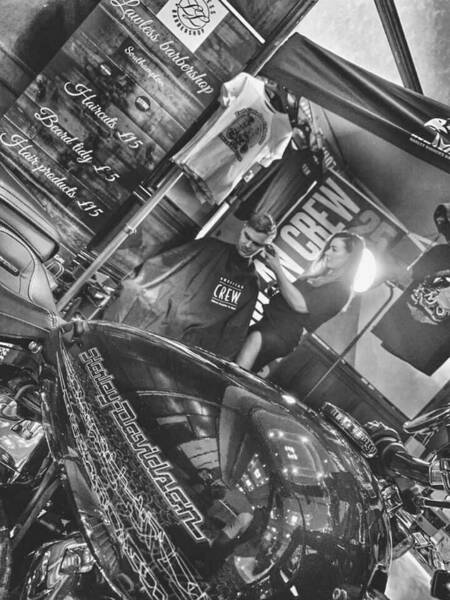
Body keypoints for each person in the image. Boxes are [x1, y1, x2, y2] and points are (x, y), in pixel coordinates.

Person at [103, 212, 276, 361]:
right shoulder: (210, 247)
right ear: (243, 228)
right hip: (172, 315)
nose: (248, 245)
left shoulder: (250, 285)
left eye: (256, 244)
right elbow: (166, 266)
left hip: (196, 342)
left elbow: (234, 334)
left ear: (265, 247)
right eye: (247, 236)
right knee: (133, 292)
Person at [236, 231, 365, 371]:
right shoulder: (320, 276)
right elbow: (294, 295)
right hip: (268, 324)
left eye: (334, 249)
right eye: (328, 247)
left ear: (350, 257)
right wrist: (279, 286)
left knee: (239, 367)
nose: (327, 252)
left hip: (280, 333)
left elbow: (300, 305)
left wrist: (278, 269)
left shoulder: (341, 290)